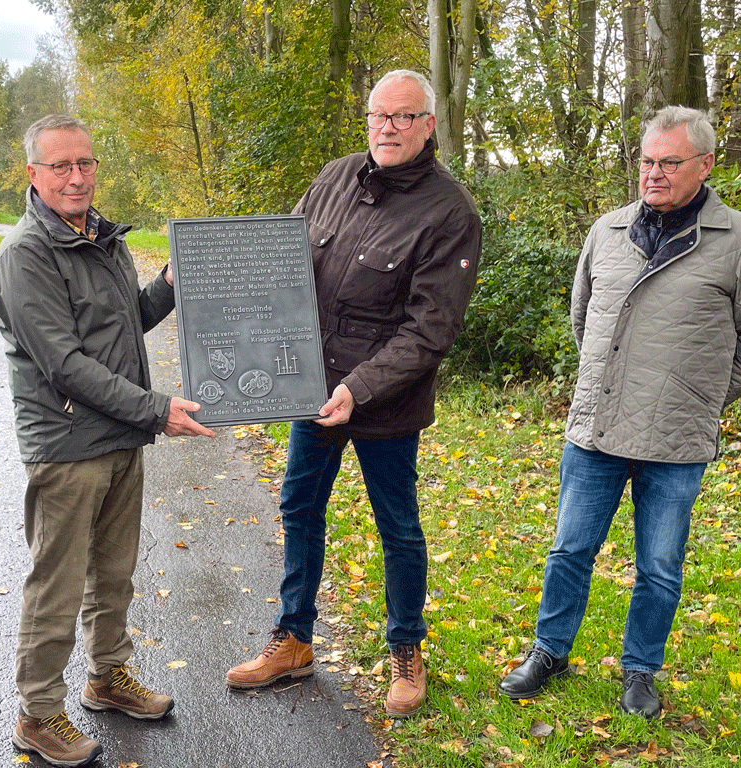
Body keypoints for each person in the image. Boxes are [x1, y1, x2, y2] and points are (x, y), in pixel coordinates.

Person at [225, 70, 482, 719]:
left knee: (397, 527)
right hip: (313, 391)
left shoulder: (451, 213)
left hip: (384, 403)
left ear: (428, 126)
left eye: (402, 117)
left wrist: (359, 387)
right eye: (378, 116)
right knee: (299, 506)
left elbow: (431, 328)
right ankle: (294, 638)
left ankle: (405, 648)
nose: (387, 128)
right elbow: (278, 262)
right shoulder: (336, 178)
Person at [498, 106, 741, 718]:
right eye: (647, 161)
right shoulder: (607, 231)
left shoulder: (734, 242)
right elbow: (585, 320)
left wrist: (702, 395)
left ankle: (641, 669)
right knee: (568, 551)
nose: (654, 174)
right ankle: (549, 651)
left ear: (706, 166)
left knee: (659, 565)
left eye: (670, 162)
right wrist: (609, 381)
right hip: (596, 429)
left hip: (678, 437)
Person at [0, 114, 215, 767]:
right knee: (56, 585)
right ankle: (36, 713)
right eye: (60, 165)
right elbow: (65, 364)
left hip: (120, 437)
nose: (77, 176)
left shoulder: (104, 237)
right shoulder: (26, 256)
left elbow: (126, 322)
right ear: (33, 174)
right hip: (66, 444)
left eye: (84, 163)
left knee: (113, 574)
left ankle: (106, 677)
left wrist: (168, 286)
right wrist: (157, 410)